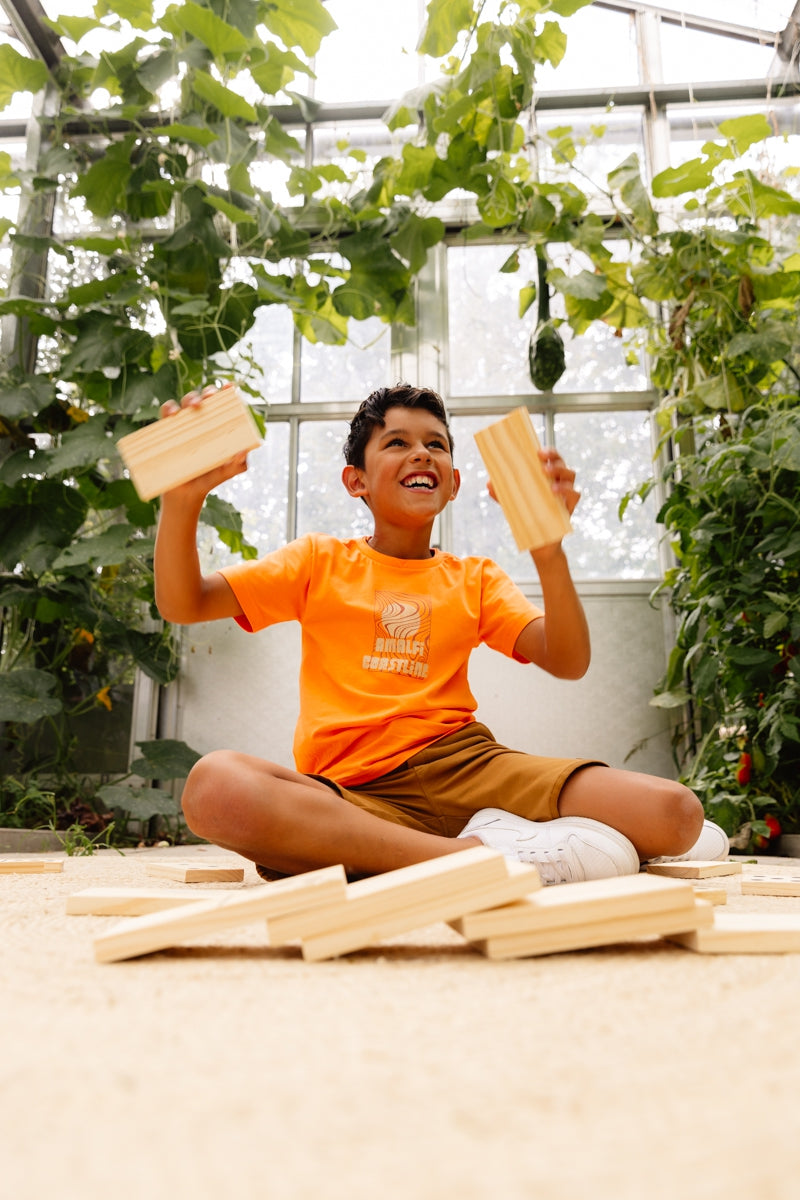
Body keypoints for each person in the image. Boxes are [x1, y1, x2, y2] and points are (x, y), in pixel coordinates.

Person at [154, 383, 727, 886]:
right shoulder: (317, 561)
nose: (421, 451)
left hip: (470, 767)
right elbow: (184, 602)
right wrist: (183, 501)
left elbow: (568, 659)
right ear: (356, 480)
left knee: (677, 814)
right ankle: (473, 860)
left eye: (436, 443)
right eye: (396, 442)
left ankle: (474, 849)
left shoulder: (473, 577)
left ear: (451, 483)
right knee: (214, 788)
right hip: (356, 795)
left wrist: (549, 550)